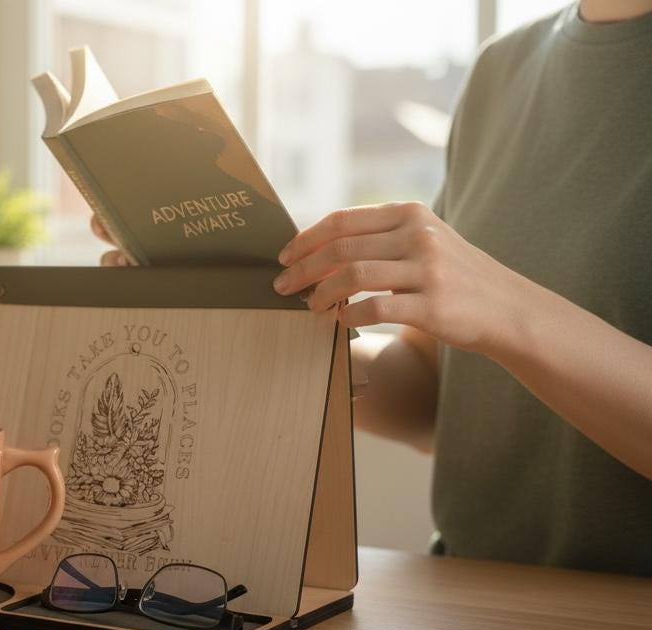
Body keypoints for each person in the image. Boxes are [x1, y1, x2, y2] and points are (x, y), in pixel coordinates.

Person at [92, 0, 652, 575]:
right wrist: (249, 323)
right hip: (471, 603)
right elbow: (436, 398)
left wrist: (508, 312)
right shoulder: (503, 68)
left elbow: (499, 321)